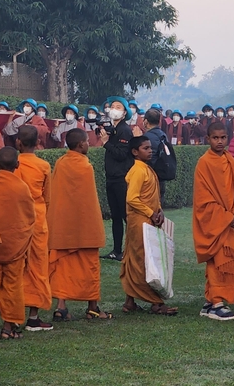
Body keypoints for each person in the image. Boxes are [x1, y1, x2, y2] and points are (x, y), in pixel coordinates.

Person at [49, 128, 112, 321]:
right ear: (80, 145)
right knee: (89, 265)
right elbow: (88, 200)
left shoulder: (60, 163)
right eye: (87, 141)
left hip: (64, 226)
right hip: (85, 227)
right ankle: (92, 307)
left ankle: (61, 307)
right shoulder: (86, 167)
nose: (89, 144)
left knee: (63, 265)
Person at [192, 122, 234, 321]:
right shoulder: (204, 163)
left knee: (231, 262)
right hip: (217, 222)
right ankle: (216, 302)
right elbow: (203, 200)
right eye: (215, 138)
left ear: (228, 138)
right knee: (217, 262)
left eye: (223, 138)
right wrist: (226, 217)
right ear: (208, 138)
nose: (219, 141)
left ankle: (210, 302)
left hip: (233, 221)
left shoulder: (230, 161)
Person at [121, 134, 178, 316]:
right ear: (135, 152)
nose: (150, 151)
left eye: (150, 148)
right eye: (145, 148)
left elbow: (152, 195)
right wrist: (151, 213)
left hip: (148, 219)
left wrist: (158, 209)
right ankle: (156, 303)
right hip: (140, 221)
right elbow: (132, 198)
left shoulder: (145, 168)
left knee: (135, 257)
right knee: (143, 260)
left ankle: (129, 301)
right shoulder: (138, 170)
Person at [0, 148, 36, 341]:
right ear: (17, 165)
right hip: (14, 246)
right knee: (13, 284)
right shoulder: (22, 187)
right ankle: (8, 327)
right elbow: (30, 218)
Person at [14, 125, 54, 332]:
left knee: (14, 265)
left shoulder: (12, 163)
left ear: (18, 142)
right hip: (37, 217)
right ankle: (33, 316)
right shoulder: (44, 165)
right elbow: (47, 197)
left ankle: (8, 314)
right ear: (38, 143)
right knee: (37, 265)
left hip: (14, 219)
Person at [102, 96, 137, 262]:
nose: (113, 109)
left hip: (121, 179)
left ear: (124, 113)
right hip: (112, 178)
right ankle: (117, 250)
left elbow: (122, 154)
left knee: (125, 216)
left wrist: (106, 143)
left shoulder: (125, 130)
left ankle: (134, 249)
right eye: (112, 106)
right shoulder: (114, 129)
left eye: (118, 107)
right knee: (116, 216)